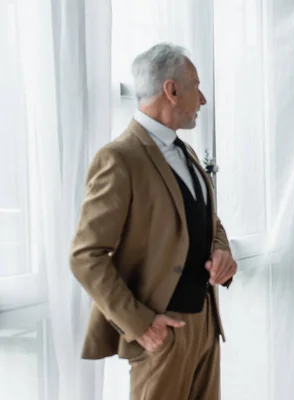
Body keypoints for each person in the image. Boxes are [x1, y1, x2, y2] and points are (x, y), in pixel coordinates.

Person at [70, 43, 237, 399]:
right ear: (172, 90)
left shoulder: (187, 152)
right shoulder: (119, 158)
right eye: (196, 86)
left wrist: (221, 250)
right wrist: (140, 324)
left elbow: (210, 221)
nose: (203, 99)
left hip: (206, 325)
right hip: (160, 334)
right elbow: (86, 256)